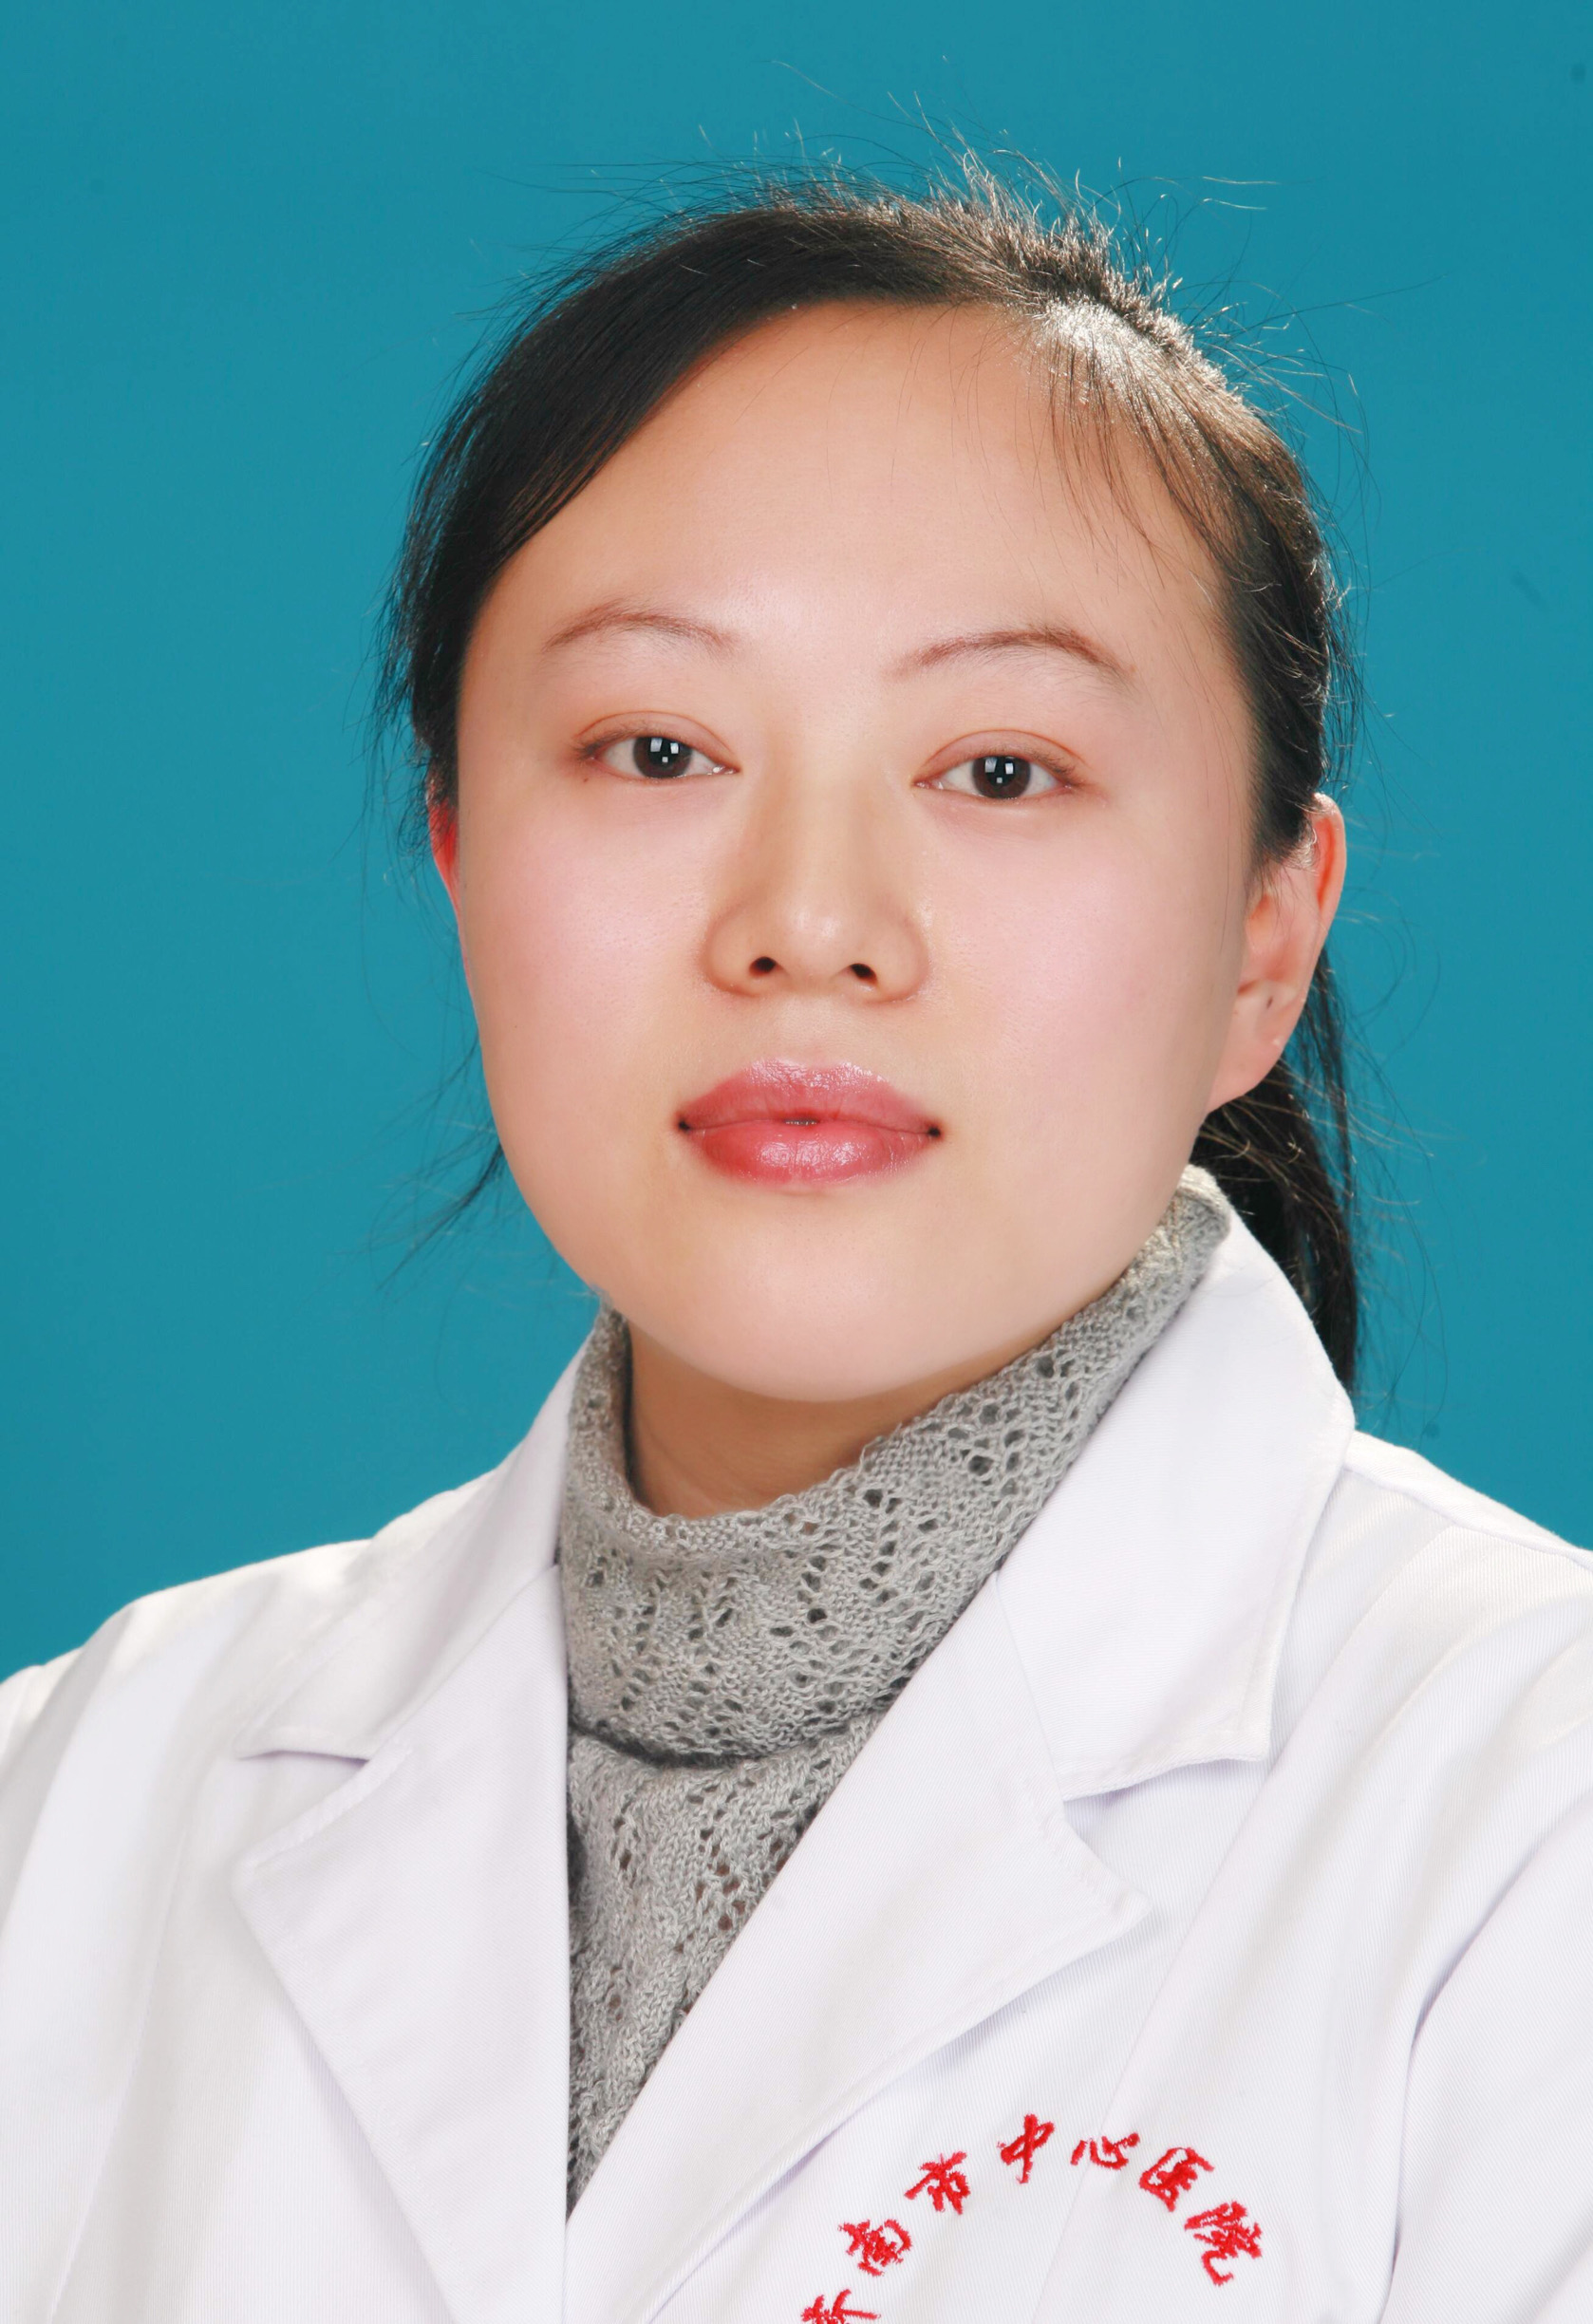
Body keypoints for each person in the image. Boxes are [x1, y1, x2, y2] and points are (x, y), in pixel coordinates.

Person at [2, 169, 1590, 2324]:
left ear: (1261, 937)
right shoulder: (76, 1801)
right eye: (656, 748)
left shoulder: (1528, 1816)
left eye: (999, 768)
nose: (808, 920)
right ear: (458, 858)